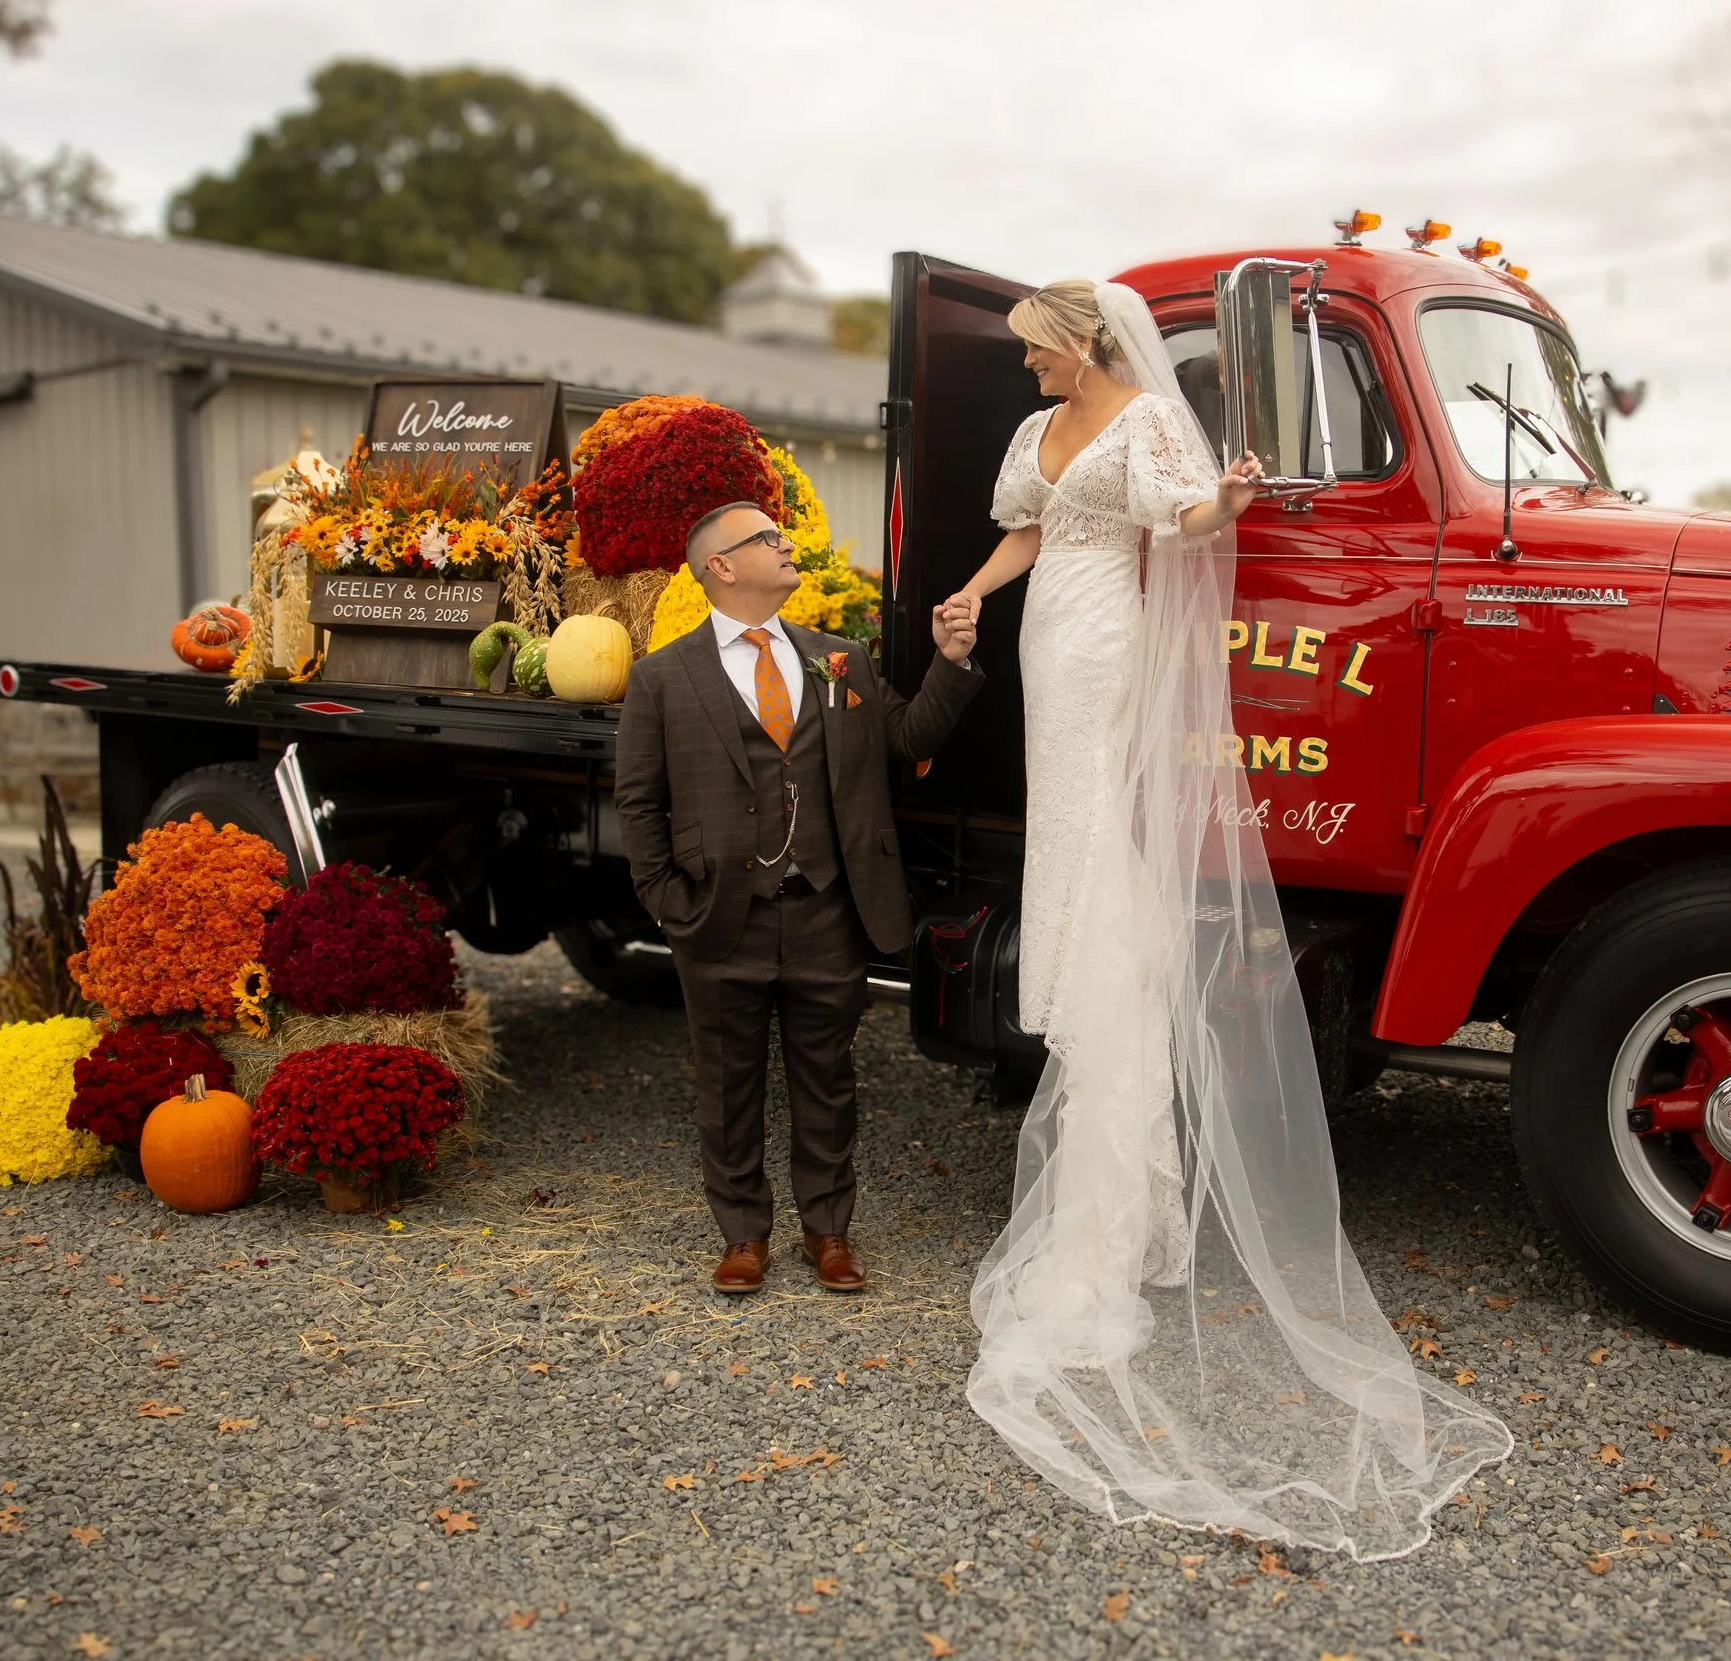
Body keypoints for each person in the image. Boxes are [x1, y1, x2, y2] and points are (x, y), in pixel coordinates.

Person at [944, 279, 1511, 1561]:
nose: (1026, 370)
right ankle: (1089, 990)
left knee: (1103, 826)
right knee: (1067, 819)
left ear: (1079, 346)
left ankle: (1106, 1048)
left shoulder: (1144, 417)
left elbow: (1180, 520)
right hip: (1049, 636)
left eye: (1035, 352)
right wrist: (972, 595)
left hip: (1112, 642)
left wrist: (1234, 495)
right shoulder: (1035, 437)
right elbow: (1027, 533)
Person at [613, 503, 982, 1295]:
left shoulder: (841, 660)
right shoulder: (662, 678)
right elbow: (640, 804)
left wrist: (951, 661)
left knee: (828, 1077)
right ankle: (743, 1232)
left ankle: (829, 1230)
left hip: (826, 909)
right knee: (726, 1081)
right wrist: (669, 902)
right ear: (722, 565)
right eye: (767, 541)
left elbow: (908, 740)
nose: (787, 549)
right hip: (719, 917)